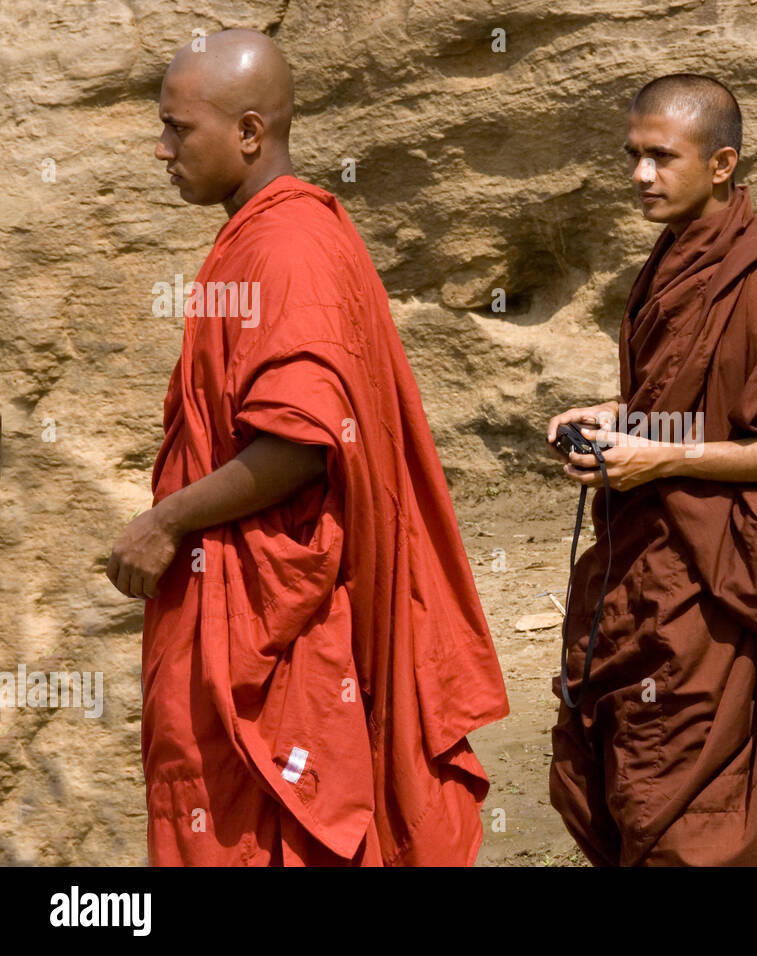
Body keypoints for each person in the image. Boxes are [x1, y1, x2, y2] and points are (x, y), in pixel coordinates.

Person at [106, 29, 508, 865]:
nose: (161, 149)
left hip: (277, 619)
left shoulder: (287, 247)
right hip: (233, 599)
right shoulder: (260, 234)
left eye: (179, 128)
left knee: (267, 828)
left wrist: (165, 521)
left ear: (249, 133)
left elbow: (300, 445)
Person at [546, 74, 757, 865]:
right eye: (633, 157)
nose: (640, 176)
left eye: (661, 157)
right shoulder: (672, 259)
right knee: (631, 780)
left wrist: (661, 457)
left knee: (704, 814)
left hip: (728, 589)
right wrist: (620, 419)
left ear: (722, 164)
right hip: (656, 571)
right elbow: (701, 403)